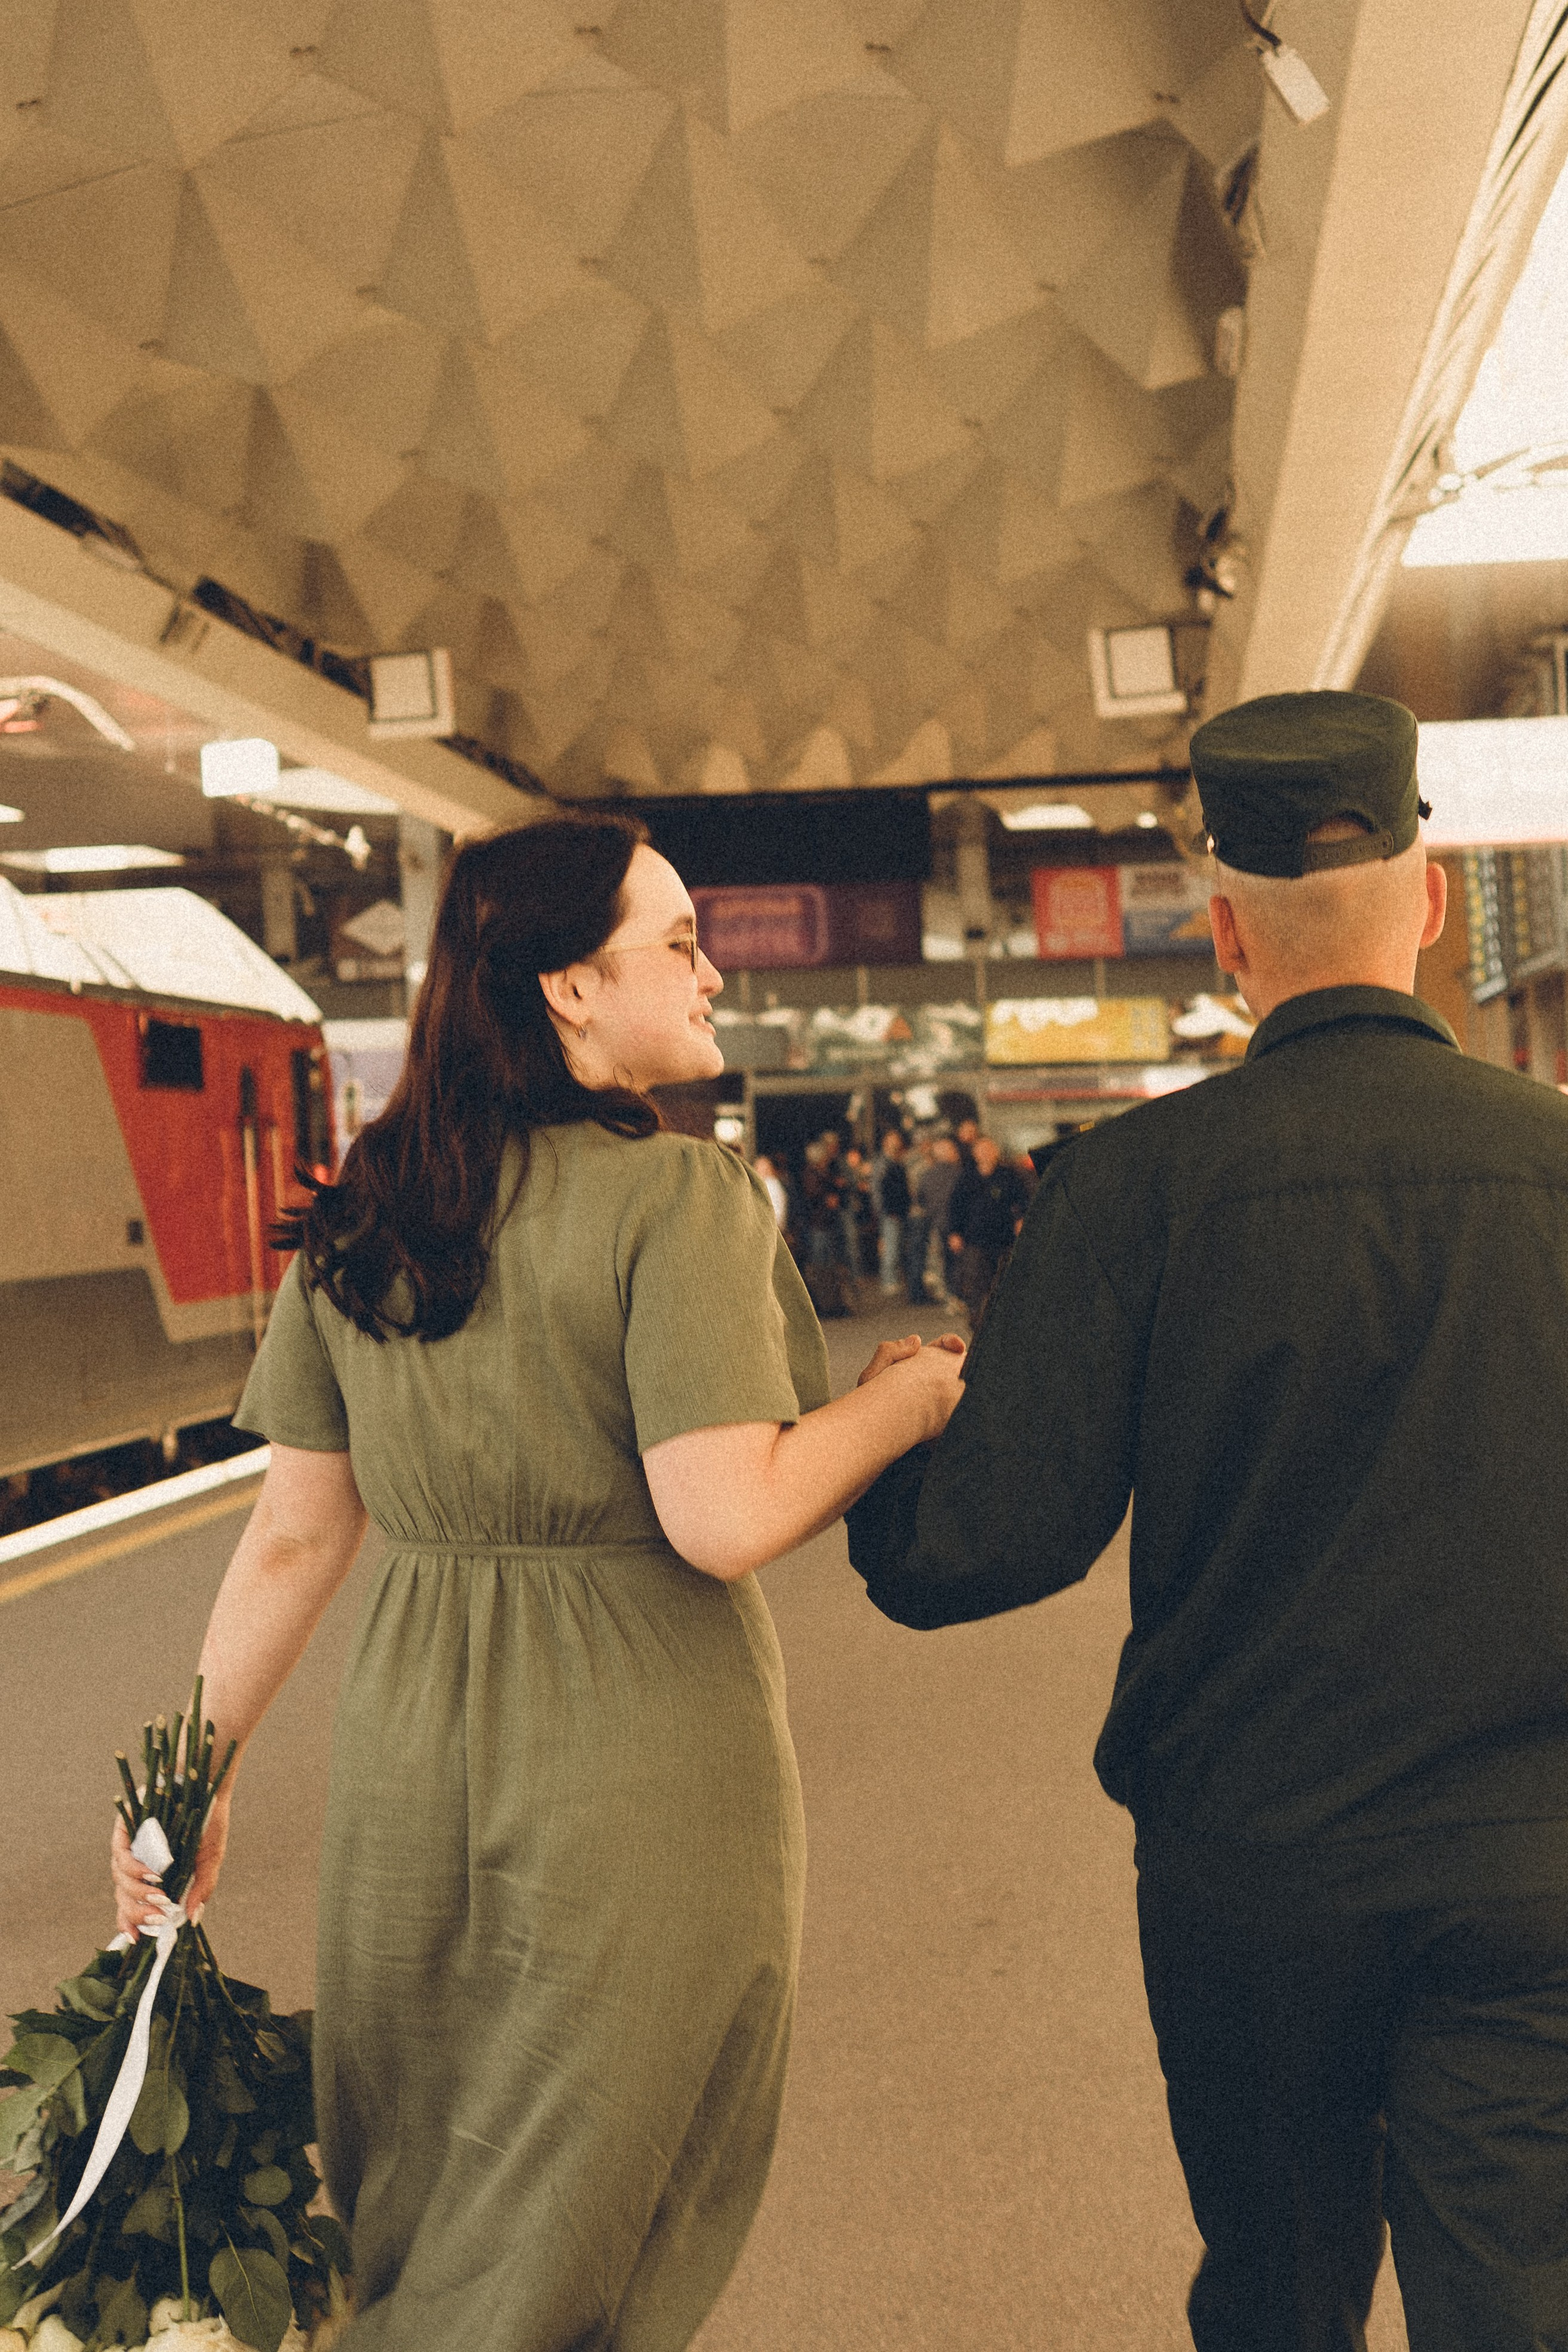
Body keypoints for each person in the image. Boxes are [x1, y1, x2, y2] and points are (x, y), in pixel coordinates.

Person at [111, 814, 965, 2352]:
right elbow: (723, 1512)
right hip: (635, 1758)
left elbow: (297, 1533)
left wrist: (194, 1773)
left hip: (407, 1752)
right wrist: (904, 1399)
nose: (711, 974)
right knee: (590, 2208)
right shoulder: (678, 1201)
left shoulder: (372, 1204)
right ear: (569, 987)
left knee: (428, 2194)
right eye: (678, 943)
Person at [847, 690, 1568, 2352]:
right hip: (1534, 1864)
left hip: (1258, 1872)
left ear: (1225, 935)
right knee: (1519, 2302)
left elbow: (989, 1545)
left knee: (1275, 2298)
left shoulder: (1134, 1190)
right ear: (1436, 900)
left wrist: (879, 1449)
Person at [944, 1132, 1030, 1329]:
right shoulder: (967, 1178)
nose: (985, 1153)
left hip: (1004, 1239)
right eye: (981, 1150)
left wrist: (1021, 1219)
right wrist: (954, 1233)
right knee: (976, 1284)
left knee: (1003, 1282)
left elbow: (1023, 1200)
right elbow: (956, 1207)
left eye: (989, 1149)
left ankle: (1006, 1323)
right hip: (975, 1241)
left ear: (995, 1152)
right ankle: (977, 1322)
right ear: (975, 1153)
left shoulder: (1008, 1175)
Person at [916, 1133, 962, 1303]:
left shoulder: (928, 1175)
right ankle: (959, 1294)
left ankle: (950, 1294)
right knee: (958, 1260)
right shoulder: (960, 1173)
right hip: (958, 1222)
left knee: (946, 1260)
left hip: (937, 1222)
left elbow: (921, 1198)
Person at [870, 1128, 911, 1297]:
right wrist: (883, 1211)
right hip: (890, 1213)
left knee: (895, 1246)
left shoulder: (897, 1162)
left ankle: (892, 1279)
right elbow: (878, 1191)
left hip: (898, 1212)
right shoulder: (883, 1164)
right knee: (890, 1247)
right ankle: (889, 1281)